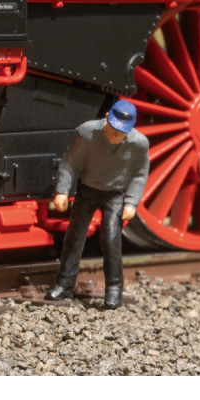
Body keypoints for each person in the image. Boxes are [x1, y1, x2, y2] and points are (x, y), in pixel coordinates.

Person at [46, 100, 150, 309]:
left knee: (111, 239)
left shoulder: (139, 143)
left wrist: (131, 202)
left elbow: (140, 174)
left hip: (115, 195)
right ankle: (64, 285)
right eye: (113, 128)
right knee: (74, 237)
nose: (116, 135)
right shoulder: (85, 132)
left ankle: (114, 289)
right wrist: (62, 191)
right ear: (107, 117)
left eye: (122, 132)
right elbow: (70, 162)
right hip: (87, 191)